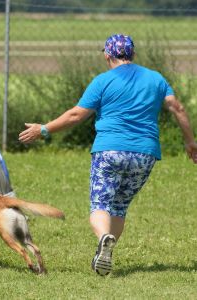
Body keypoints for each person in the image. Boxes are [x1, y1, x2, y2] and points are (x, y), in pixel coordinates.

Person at [18, 34, 197, 276]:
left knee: (100, 204)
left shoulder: (103, 81)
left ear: (107, 55)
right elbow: (178, 107)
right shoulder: (156, 79)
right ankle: (105, 251)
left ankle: (104, 237)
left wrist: (44, 129)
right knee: (120, 206)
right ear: (132, 54)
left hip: (110, 151)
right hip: (145, 155)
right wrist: (189, 141)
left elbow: (75, 115)